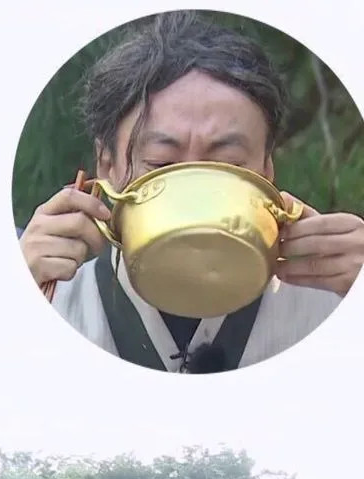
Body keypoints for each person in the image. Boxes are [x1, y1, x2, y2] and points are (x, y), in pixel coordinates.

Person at [18, 11, 364, 373]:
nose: (194, 199)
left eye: (227, 164)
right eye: (162, 164)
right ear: (107, 166)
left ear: (267, 169)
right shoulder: (52, 299)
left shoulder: (333, 303)